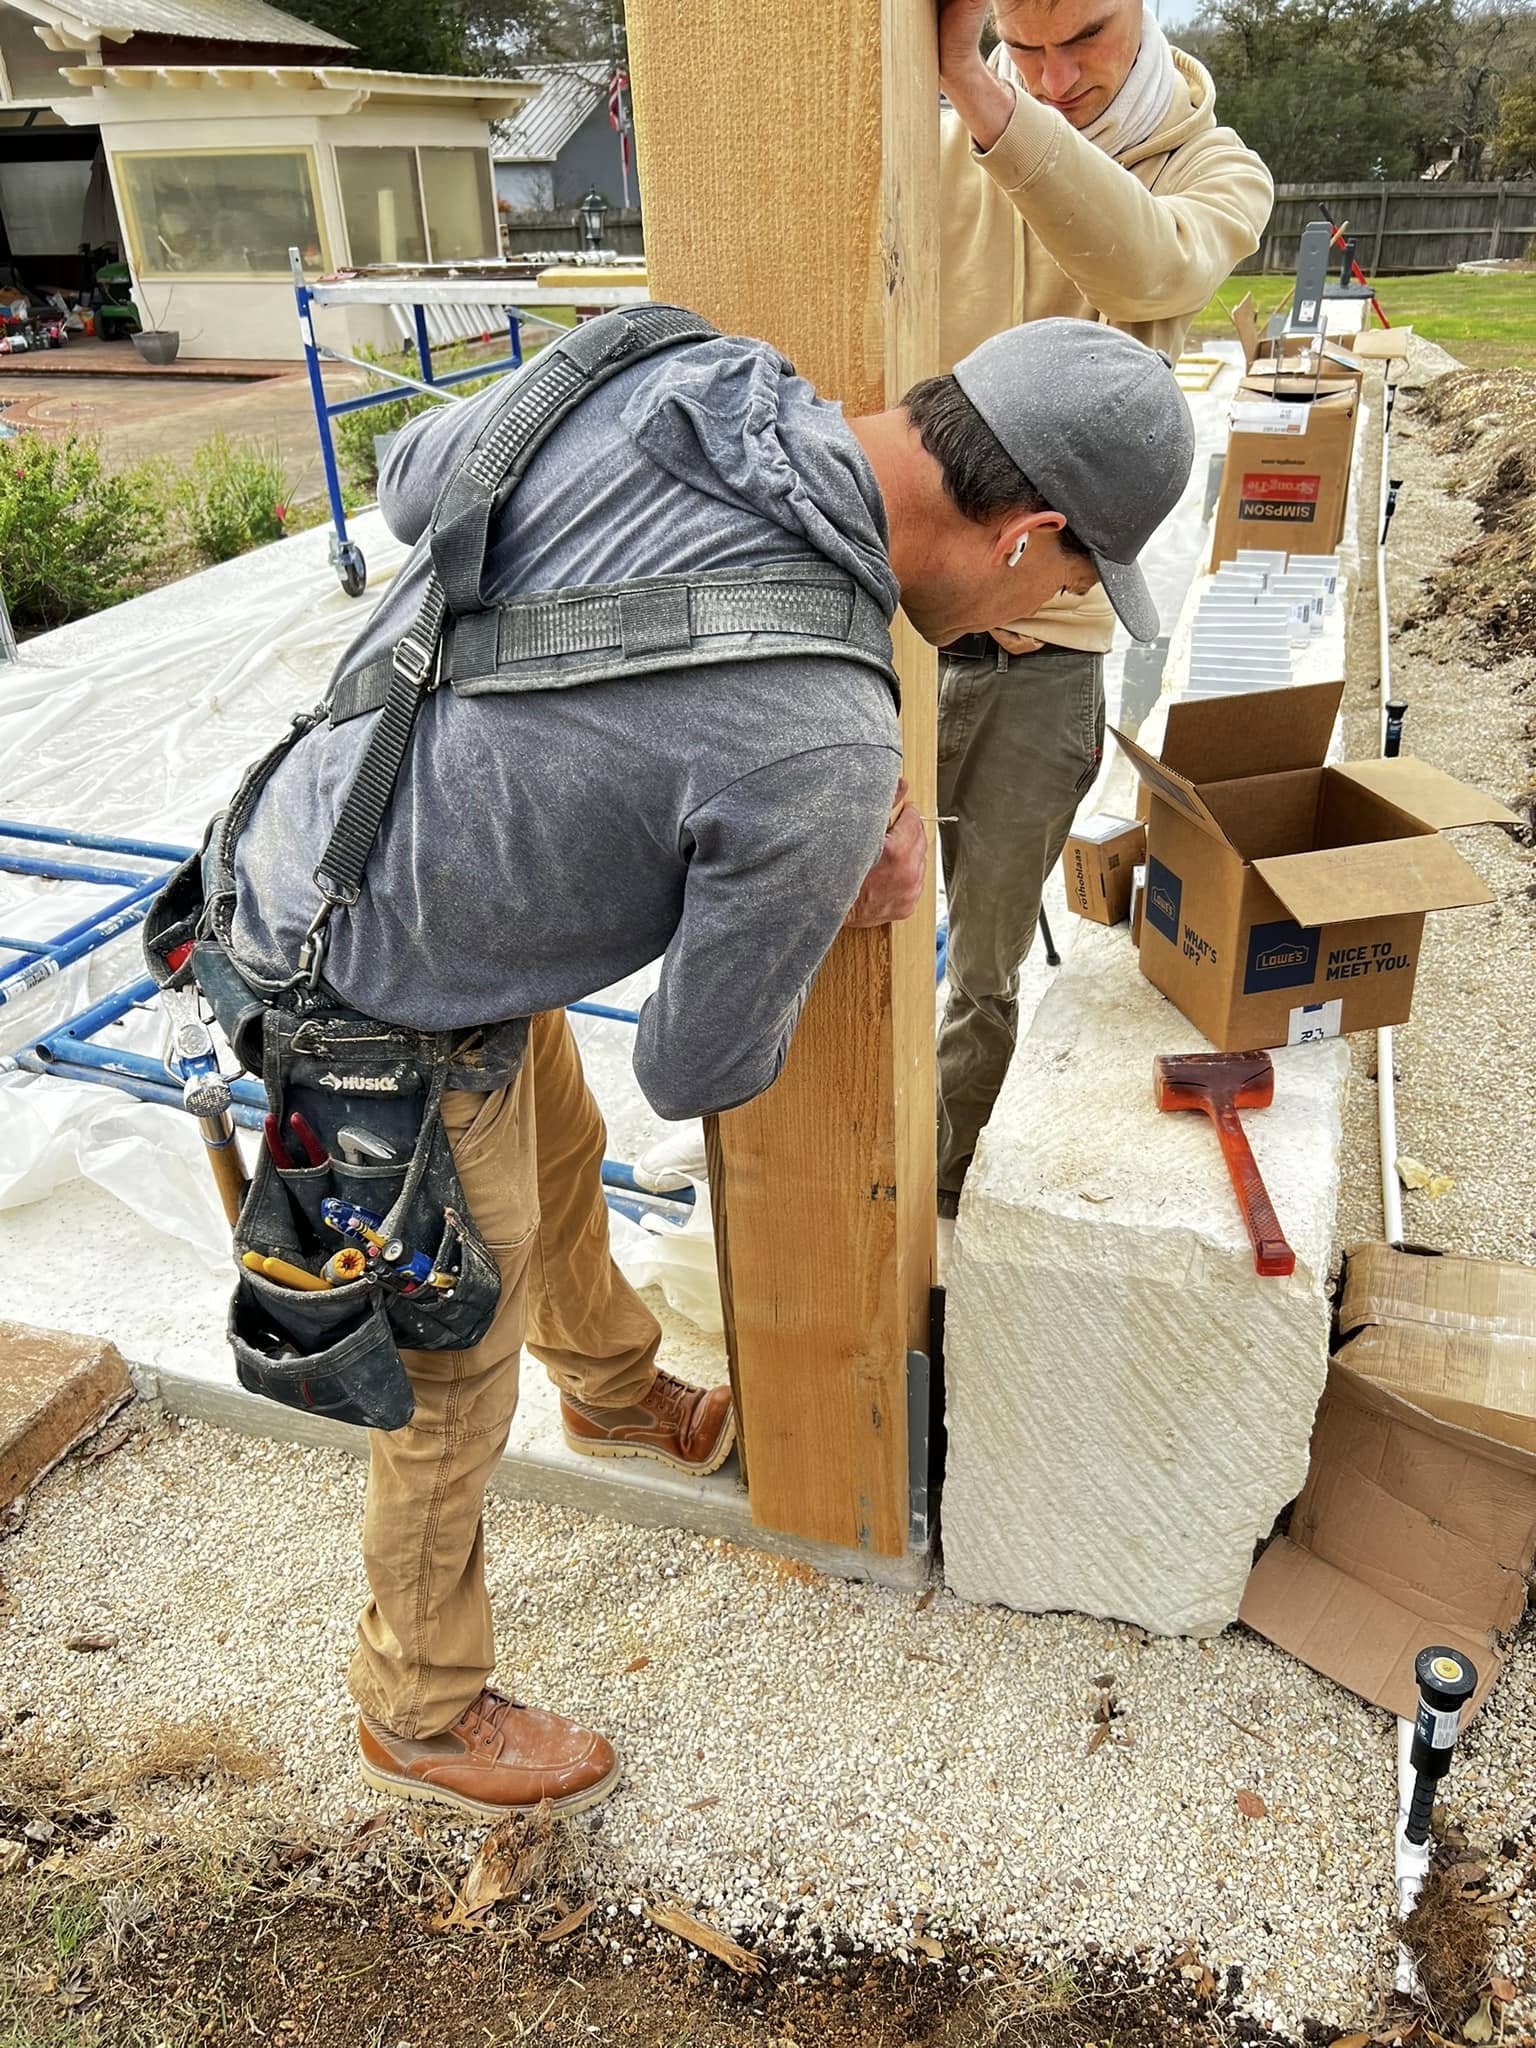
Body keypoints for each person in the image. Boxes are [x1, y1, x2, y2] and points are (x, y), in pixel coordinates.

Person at [229, 310, 1193, 1819]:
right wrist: (806, 897)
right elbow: (694, 1068)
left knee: (549, 1163)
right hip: (365, 986)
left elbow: (419, 481)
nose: (1053, 609)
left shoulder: (687, 375)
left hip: (349, 851)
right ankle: (418, 1704)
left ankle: (610, 1391)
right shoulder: (815, 736)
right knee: (447, 1387)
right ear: (1031, 537)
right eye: (1076, 579)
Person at [933, 0, 1274, 1215]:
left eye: (1083, 39)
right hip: (901, 614)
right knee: (840, 922)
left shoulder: (1213, 168)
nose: (1052, 74)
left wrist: (989, 100)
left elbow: (1145, 264)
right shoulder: (939, 142)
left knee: (980, 963)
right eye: (1019, 43)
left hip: (1041, 644)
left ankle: (938, 1196)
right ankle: (848, 1168)